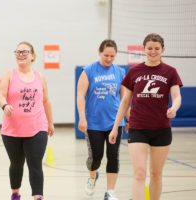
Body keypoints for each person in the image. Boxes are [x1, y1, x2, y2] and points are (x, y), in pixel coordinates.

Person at [109, 33, 182, 200]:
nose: (153, 51)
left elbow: (177, 96)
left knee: (156, 174)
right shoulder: (134, 71)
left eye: (157, 48)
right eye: (149, 48)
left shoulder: (170, 72)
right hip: (138, 128)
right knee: (140, 173)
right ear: (144, 50)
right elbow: (125, 101)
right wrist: (115, 128)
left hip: (161, 129)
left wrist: (174, 107)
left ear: (162, 50)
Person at [0, 41, 54, 200]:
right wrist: (5, 105)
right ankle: (15, 193)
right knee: (16, 164)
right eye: (18, 52)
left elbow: (46, 101)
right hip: (12, 130)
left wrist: (51, 122)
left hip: (37, 128)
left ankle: (38, 197)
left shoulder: (39, 77)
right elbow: (0, 95)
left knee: (35, 165)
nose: (21, 54)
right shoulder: (8, 75)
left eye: (25, 52)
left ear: (33, 56)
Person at [77, 39, 129, 200]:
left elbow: (125, 98)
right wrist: (82, 118)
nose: (109, 59)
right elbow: (80, 95)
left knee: (113, 155)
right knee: (96, 158)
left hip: (115, 122)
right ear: (100, 52)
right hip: (94, 123)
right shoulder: (89, 70)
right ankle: (92, 177)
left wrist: (128, 119)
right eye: (106, 55)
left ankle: (110, 192)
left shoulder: (120, 72)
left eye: (112, 56)